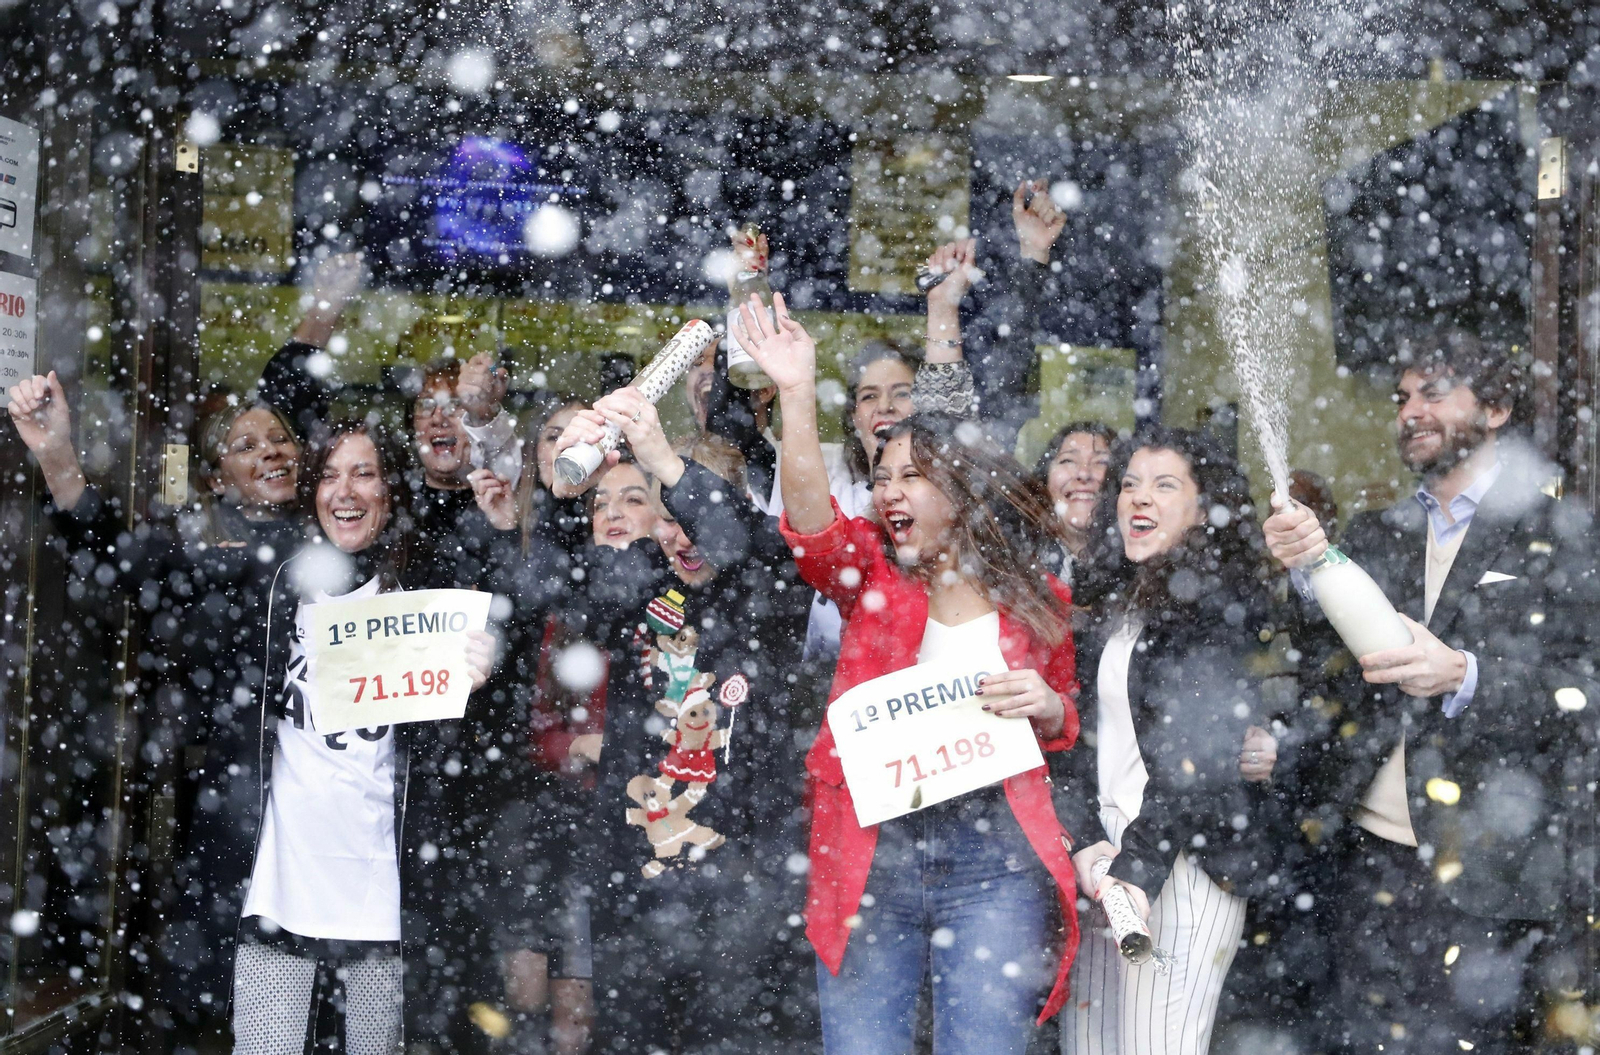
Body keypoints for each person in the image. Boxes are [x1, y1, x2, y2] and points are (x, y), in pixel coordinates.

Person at [732, 292, 1082, 1054]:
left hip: (995, 859)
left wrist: (1050, 707)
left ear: (959, 490)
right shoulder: (871, 576)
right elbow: (810, 520)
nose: (889, 491)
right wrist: (797, 392)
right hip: (872, 854)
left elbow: (1064, 723)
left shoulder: (1039, 601)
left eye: (911, 476)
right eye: (883, 476)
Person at [1261, 331, 1600, 1054]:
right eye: (1403, 397)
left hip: (1485, 869)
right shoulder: (1383, 534)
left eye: (1434, 391)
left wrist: (1466, 675)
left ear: (1497, 408)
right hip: (1369, 859)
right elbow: (1329, 657)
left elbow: (1583, 688)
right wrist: (1307, 566)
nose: (1411, 410)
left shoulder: (1559, 535)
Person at [483, 375, 816, 1051]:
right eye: (667, 513)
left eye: (694, 504)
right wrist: (560, 490)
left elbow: (737, 540)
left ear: (740, 505)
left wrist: (666, 459)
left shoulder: (771, 583)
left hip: (742, 888)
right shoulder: (650, 591)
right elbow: (550, 584)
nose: (680, 531)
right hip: (633, 883)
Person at [5, 374, 310, 1035]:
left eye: (280, 438)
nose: (270, 451)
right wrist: (57, 455)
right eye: (246, 443)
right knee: (232, 989)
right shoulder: (200, 550)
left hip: (329, 793)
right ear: (219, 476)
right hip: (238, 795)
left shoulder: (341, 537)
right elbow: (113, 550)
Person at [231, 419, 494, 1054]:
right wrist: (59, 465)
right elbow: (145, 571)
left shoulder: (428, 597)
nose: (343, 491)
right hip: (283, 881)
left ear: (391, 490)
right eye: (327, 474)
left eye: (364, 472)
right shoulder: (270, 586)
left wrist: (479, 679)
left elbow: (464, 753)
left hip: (385, 885)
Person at [1057, 427, 1283, 1055]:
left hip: (1180, 866)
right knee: (1088, 1046)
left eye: (1164, 486)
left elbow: (1199, 758)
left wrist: (1139, 866)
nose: (1139, 500)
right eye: (1129, 485)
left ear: (1203, 508)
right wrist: (1084, 843)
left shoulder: (1219, 605)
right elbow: (1072, 734)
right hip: (1107, 862)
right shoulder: (1109, 600)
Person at [1033, 421, 1118, 582]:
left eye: (1101, 462)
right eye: (1068, 460)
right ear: (1045, 479)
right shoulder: (1014, 565)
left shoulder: (1139, 571)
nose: (1084, 473)